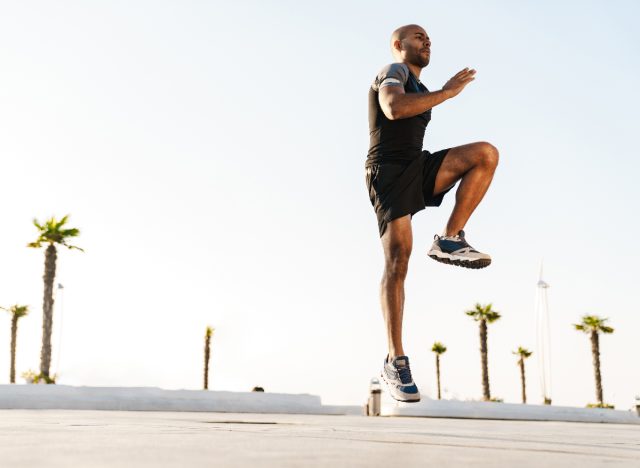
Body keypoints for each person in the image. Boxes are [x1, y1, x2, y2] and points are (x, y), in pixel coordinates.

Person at [366, 24, 499, 402]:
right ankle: (395, 359)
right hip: (388, 172)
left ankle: (450, 239)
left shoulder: (421, 86)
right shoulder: (392, 72)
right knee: (398, 262)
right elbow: (393, 108)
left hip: (416, 165)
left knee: (484, 154)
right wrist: (448, 92)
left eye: (428, 39)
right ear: (398, 45)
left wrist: (442, 93)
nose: (427, 41)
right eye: (418, 37)